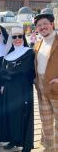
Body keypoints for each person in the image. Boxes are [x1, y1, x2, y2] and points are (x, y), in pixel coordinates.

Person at [0, 27, 35, 152]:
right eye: (14, 37)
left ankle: (25, 145)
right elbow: (2, 72)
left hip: (23, 89)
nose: (17, 39)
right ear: (11, 39)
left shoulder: (29, 52)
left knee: (23, 115)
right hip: (9, 90)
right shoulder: (8, 55)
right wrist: (4, 83)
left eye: (20, 36)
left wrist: (9, 71)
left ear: (23, 37)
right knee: (11, 115)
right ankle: (13, 140)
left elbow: (23, 70)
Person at [34, 8, 58, 152]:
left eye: (45, 23)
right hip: (42, 87)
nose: (42, 27)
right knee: (46, 120)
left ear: (52, 24)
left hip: (56, 87)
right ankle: (49, 148)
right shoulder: (38, 44)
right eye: (39, 25)